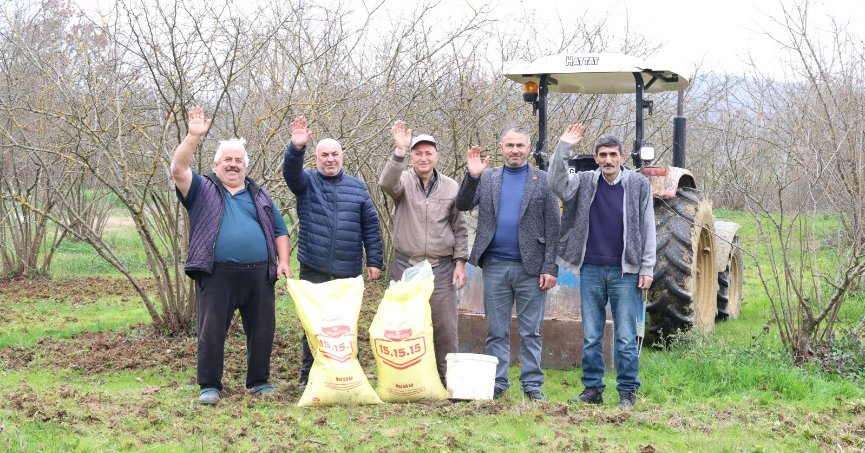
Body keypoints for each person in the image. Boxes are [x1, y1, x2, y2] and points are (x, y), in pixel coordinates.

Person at [171, 106, 291, 405]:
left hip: (259, 275)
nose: (233, 165)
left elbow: (280, 230)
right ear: (216, 164)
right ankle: (210, 385)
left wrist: (284, 261)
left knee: (263, 330)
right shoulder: (202, 188)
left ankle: (259, 382)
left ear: (245, 167)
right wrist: (193, 136)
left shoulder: (260, 195)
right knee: (211, 331)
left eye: (239, 160)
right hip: (217, 273)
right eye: (228, 160)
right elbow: (177, 169)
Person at [548, 123, 656, 410]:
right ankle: (592, 390)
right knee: (592, 336)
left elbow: (647, 227)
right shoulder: (584, 181)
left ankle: (627, 393)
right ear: (595, 158)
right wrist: (563, 147)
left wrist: (647, 268)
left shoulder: (638, 185)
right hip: (592, 270)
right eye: (602, 155)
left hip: (625, 272)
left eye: (613, 154)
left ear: (622, 156)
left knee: (624, 336)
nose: (608, 160)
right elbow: (556, 184)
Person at [455, 126, 560, 401]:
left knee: (531, 330)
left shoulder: (544, 180)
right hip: (495, 266)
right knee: (496, 329)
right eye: (510, 145)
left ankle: (532, 384)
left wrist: (550, 267)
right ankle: (498, 381)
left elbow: (553, 226)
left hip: (532, 268)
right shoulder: (488, 178)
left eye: (520, 146)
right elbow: (463, 204)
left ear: (528, 149)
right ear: (502, 148)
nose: (515, 150)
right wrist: (472, 176)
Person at [282, 116, 384, 391]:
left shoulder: (357, 187)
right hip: (313, 265)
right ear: (316, 158)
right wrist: (296, 147)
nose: (330, 159)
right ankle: (308, 376)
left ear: (342, 156)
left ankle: (343, 374)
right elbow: (290, 172)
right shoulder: (306, 182)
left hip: (347, 269)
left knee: (344, 326)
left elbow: (371, 227)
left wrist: (374, 260)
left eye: (334, 154)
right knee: (312, 325)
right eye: (324, 154)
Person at [378, 120, 469, 385]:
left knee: (445, 327)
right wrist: (398, 150)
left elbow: (460, 228)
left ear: (436, 156)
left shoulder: (452, 186)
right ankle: (403, 378)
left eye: (428, 153)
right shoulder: (403, 181)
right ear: (412, 156)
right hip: (406, 266)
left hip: (441, 269)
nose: (423, 158)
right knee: (402, 324)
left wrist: (460, 263)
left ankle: (448, 380)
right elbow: (385, 183)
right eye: (417, 153)